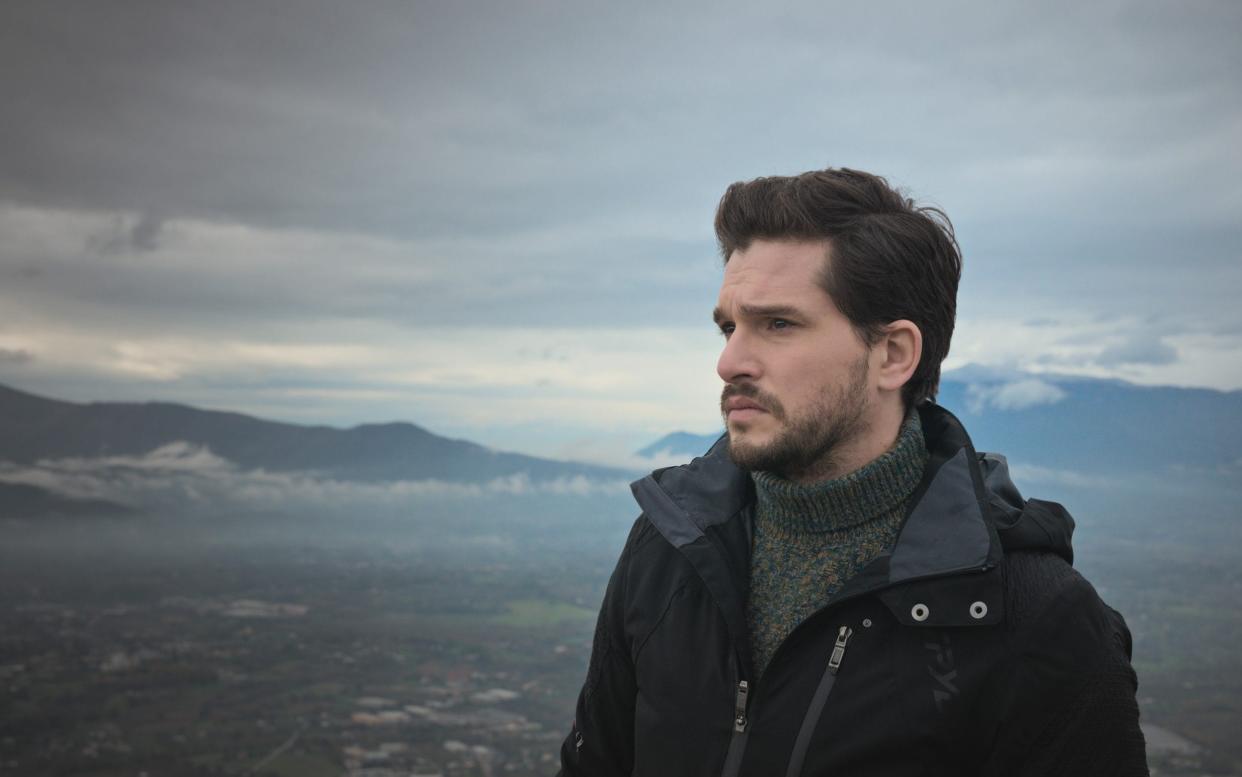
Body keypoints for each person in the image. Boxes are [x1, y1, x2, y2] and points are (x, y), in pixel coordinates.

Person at [557, 168, 1149, 776]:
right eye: (730, 326)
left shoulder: (1038, 619)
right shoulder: (669, 545)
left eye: (778, 325)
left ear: (892, 355)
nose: (728, 361)